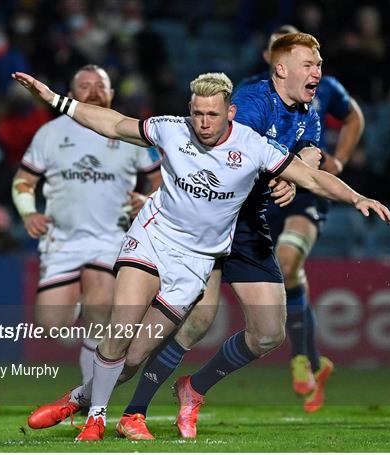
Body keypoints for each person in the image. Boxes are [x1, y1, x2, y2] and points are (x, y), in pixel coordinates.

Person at [12, 67, 390, 442]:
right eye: (197, 113)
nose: (204, 123)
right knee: (121, 330)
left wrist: (356, 196)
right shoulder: (171, 129)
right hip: (153, 238)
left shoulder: (253, 147)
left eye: (212, 114)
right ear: (189, 110)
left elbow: (311, 178)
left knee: (133, 357)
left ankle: (76, 399)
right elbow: (113, 124)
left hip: (195, 261)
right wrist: (56, 100)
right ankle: (97, 421)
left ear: (230, 112)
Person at [105, 31, 344, 441]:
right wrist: (155, 194)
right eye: (310, 64)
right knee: (196, 319)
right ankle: (130, 410)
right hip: (211, 222)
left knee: (269, 333)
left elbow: (306, 154)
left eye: (319, 65)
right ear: (280, 67)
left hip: (249, 225)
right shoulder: (250, 104)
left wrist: (301, 173)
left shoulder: (309, 111)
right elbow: (203, 158)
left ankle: (193, 388)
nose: (317, 71)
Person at [11, 64, 162, 386]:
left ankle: (90, 396)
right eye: (85, 85)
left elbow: (160, 178)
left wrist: (148, 199)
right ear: (70, 95)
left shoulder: (129, 131)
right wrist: (28, 213)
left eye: (100, 85)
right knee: (51, 323)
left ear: (111, 93)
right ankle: (87, 331)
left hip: (112, 238)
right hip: (62, 240)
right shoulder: (50, 133)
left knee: (100, 307)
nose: (93, 91)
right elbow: (24, 181)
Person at [241, 24, 366, 412]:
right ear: (273, 61)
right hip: (265, 194)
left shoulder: (324, 88)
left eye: (314, 60)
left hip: (308, 187)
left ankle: (301, 357)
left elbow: (354, 118)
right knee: (285, 271)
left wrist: (339, 159)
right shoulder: (253, 94)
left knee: (290, 259)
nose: (313, 69)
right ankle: (312, 361)